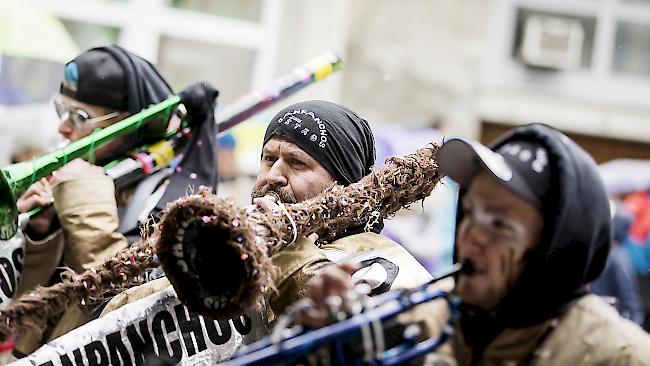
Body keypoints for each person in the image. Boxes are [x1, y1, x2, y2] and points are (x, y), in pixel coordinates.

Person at [34, 100, 432, 365]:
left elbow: (392, 338)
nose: (274, 175)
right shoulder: (218, 246)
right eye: (268, 158)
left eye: (297, 162)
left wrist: (287, 248)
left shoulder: (377, 257)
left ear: (344, 184)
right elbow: (105, 333)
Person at [305, 123, 650, 365]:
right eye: (470, 212)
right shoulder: (426, 320)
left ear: (555, 250)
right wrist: (324, 341)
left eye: (500, 224)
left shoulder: (619, 355)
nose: (471, 235)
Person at [12, 45, 218, 356]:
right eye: (61, 110)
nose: (63, 127)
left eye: (79, 117)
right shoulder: (81, 177)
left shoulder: (169, 192)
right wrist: (41, 233)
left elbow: (126, 301)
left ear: (130, 122)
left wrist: (81, 198)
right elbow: (28, 304)